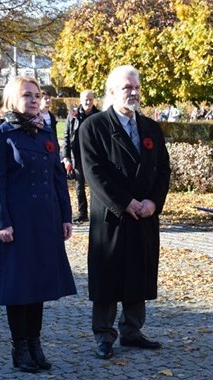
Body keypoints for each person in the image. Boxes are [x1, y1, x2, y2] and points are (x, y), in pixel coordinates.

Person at [0, 76, 77, 372]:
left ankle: (36, 344)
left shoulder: (45, 132)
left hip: (46, 220)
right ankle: (20, 347)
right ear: (12, 99)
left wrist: (65, 215)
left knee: (39, 284)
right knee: (19, 286)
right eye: (27, 95)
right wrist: (2, 222)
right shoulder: (1, 134)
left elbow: (58, 178)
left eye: (37, 95)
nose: (34, 100)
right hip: (18, 223)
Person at [79, 65, 171, 360]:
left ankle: (132, 330)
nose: (133, 92)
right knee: (109, 275)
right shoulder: (93, 127)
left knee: (138, 272)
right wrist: (125, 202)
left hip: (144, 214)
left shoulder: (151, 128)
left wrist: (153, 202)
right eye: (126, 87)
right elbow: (94, 173)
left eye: (136, 87)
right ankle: (104, 334)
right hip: (112, 216)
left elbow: (163, 170)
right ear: (111, 92)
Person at [62, 89, 99, 223]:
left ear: (94, 100)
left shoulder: (99, 116)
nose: (88, 102)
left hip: (94, 156)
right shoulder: (73, 115)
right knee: (79, 186)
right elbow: (66, 136)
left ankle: (96, 213)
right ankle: (82, 213)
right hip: (77, 155)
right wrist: (66, 157)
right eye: (85, 99)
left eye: (90, 99)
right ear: (80, 100)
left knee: (96, 184)